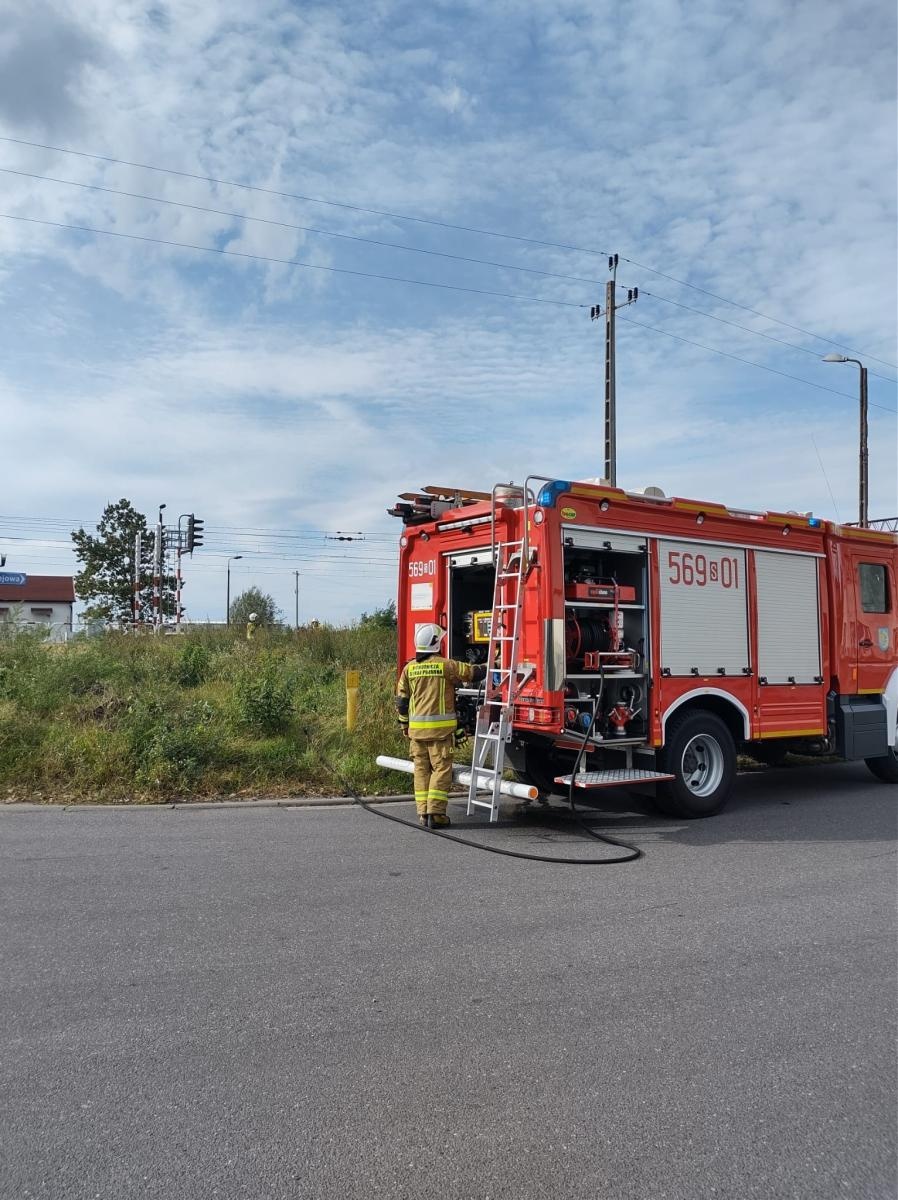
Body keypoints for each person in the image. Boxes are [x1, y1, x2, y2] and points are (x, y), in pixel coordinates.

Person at [395, 623, 486, 827]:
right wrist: (496, 663)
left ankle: (422, 813)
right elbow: (472, 673)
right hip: (440, 733)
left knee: (421, 771)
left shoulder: (409, 668)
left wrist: (404, 726)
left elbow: (401, 701)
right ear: (435, 644)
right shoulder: (445, 665)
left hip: (416, 733)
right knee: (440, 770)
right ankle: (435, 814)